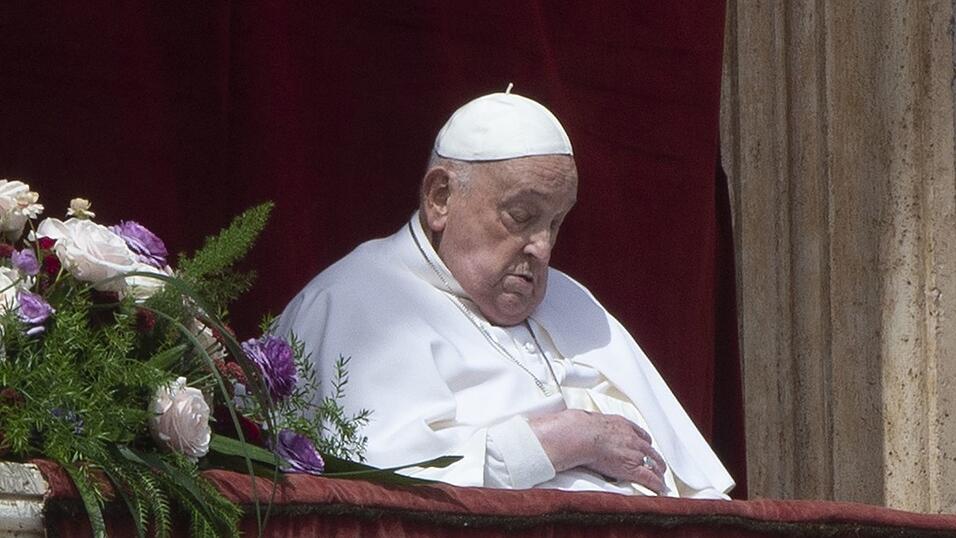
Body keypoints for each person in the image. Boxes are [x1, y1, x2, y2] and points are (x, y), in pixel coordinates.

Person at [275, 89, 734, 498]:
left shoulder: (571, 300)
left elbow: (696, 490)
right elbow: (383, 491)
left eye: (555, 223)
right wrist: (559, 442)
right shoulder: (355, 302)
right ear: (440, 198)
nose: (543, 247)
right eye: (522, 215)